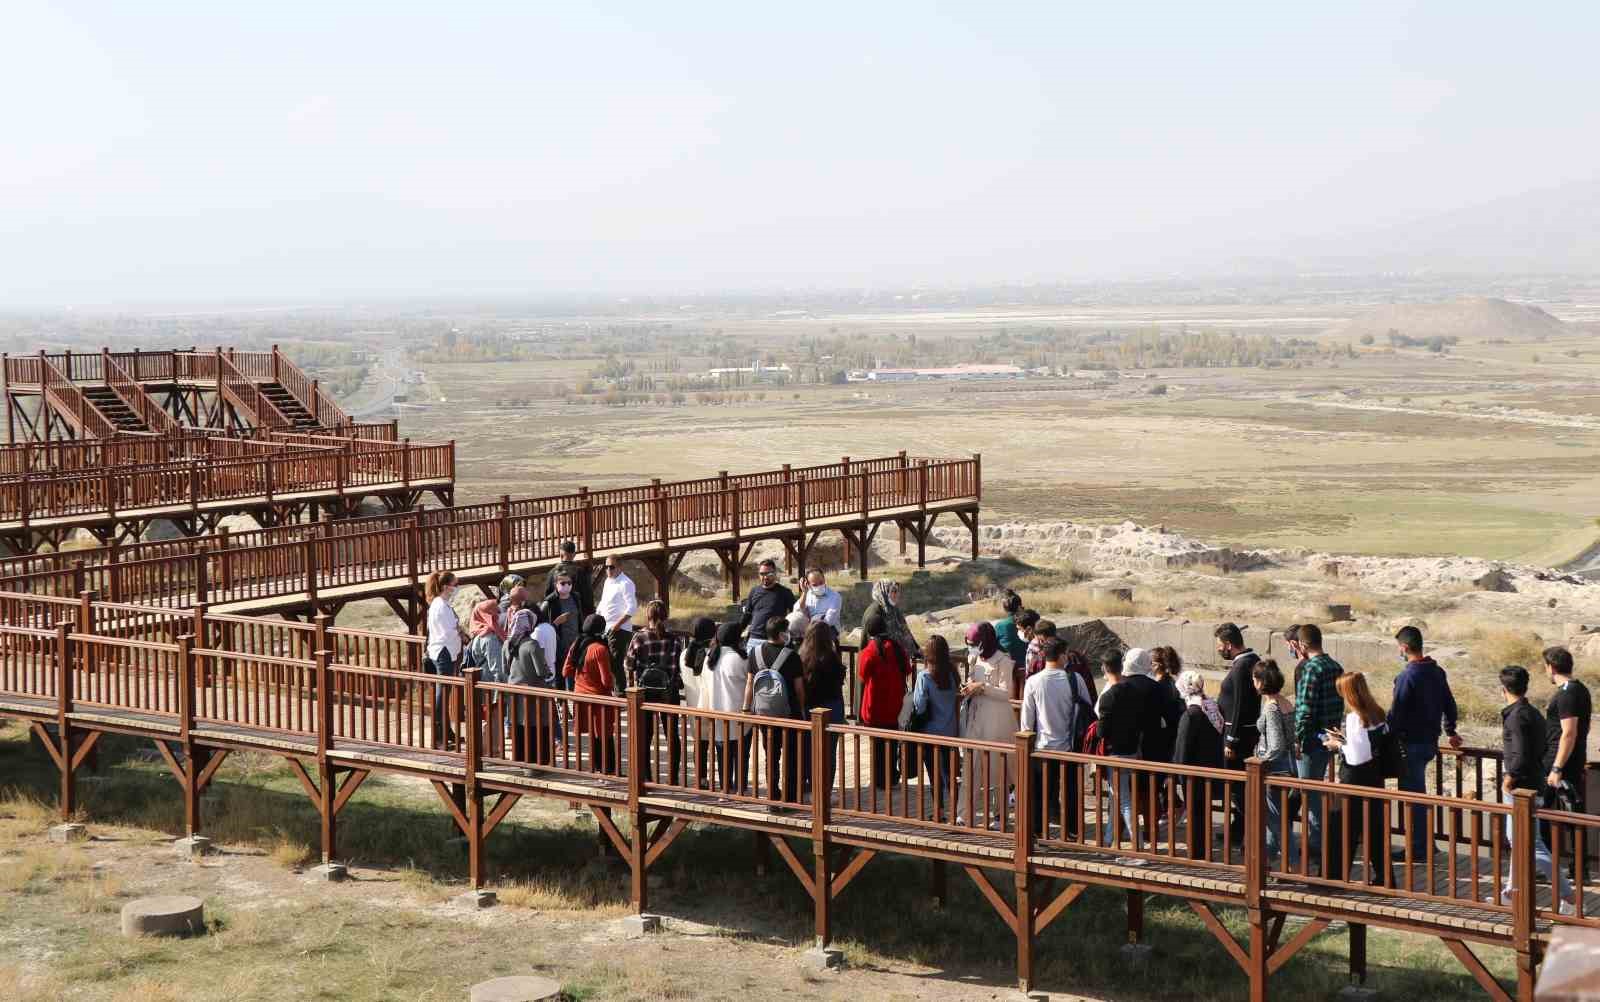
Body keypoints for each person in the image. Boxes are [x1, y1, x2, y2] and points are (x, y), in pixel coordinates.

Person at [1498, 665, 1575, 912]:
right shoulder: (1531, 713)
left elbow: (1519, 753)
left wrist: (1509, 777)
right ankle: (1511, 892)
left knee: (1530, 843)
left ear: (1504, 689)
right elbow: (1541, 747)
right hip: (1535, 782)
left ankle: (1569, 896)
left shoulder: (1517, 716)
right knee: (1520, 840)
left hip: (1522, 789)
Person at [1387, 625, 1462, 859]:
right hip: (1430, 742)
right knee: (1417, 793)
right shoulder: (1436, 671)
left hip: (1411, 745)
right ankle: (1424, 844)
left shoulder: (1408, 676)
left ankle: (1419, 848)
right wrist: (1450, 731)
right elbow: (1450, 704)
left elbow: (1396, 715)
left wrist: (1383, 735)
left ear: (1404, 647)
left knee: (1413, 797)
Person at [1321, 672, 1394, 887]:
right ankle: (1384, 877)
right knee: (1374, 830)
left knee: (1341, 829)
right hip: (1374, 777)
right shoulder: (1378, 713)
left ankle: (1333, 876)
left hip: (1354, 780)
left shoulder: (1355, 718)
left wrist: (1337, 745)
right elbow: (1367, 748)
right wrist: (1346, 741)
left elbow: (1356, 756)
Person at [1022, 637, 1089, 839]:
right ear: (1062, 655)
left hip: (1042, 748)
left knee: (1041, 792)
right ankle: (1073, 832)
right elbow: (1087, 708)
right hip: (1070, 748)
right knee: (1071, 792)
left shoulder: (1033, 682)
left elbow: (1026, 721)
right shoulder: (1075, 679)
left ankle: (1039, 831)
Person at [1096, 648, 1162, 846]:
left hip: (1115, 754)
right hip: (1133, 752)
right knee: (1117, 797)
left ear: (1104, 668)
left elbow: (1101, 731)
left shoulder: (1108, 697)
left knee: (1123, 801)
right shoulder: (1135, 692)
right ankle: (1108, 840)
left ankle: (1138, 845)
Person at [1292, 623, 1344, 865]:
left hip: (1312, 741)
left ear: (1302, 645)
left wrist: (1298, 740)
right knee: (1316, 792)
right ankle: (1320, 842)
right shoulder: (1336, 666)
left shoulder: (1311, 669)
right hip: (1330, 738)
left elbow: (1304, 711)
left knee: (1310, 795)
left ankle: (1317, 846)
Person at [744, 616, 806, 803]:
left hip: (765, 713)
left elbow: (749, 683)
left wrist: (746, 708)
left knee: (771, 754)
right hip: (789, 714)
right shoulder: (792, 656)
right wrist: (802, 710)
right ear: (781, 634)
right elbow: (799, 688)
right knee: (791, 755)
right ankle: (791, 796)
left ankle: (772, 793)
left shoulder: (754, 653)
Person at [960, 621, 1018, 825]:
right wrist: (968, 687)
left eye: (974, 643)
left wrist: (982, 687)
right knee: (970, 768)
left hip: (997, 722)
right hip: (976, 719)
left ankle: (1000, 817)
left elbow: (1006, 692)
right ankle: (964, 815)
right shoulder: (973, 658)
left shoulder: (1003, 660)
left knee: (998, 771)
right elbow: (972, 681)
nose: (971, 647)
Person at [1542, 645, 1591, 882]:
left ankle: (1551, 868)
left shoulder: (1567, 694)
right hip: (1569, 762)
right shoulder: (1579, 690)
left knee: (1545, 814)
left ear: (1551, 667)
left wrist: (1556, 768)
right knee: (1571, 818)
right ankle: (1576, 868)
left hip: (1560, 765)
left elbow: (1568, 733)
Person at [624, 600, 684, 785]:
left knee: (645, 735)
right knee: (672, 735)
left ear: (648, 616)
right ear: (665, 616)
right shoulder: (674, 639)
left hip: (646, 693)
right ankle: (673, 779)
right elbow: (678, 666)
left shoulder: (639, 638)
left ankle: (646, 777)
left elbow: (628, 664)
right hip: (669, 692)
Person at [1215, 623, 1261, 840]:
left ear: (1229, 645)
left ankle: (1245, 831)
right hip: (1242, 733)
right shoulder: (1249, 661)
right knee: (1238, 786)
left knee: (1238, 787)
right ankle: (1238, 828)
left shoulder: (1243, 666)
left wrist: (1231, 740)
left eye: (1219, 645)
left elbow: (1241, 704)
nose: (1218, 650)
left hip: (1238, 736)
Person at [1172, 669, 1224, 859]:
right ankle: (1203, 850)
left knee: (1194, 812)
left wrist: (1178, 772)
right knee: (1204, 811)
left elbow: (1182, 748)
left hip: (1193, 773)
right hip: (1210, 768)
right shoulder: (1213, 707)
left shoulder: (1191, 715)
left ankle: (1196, 853)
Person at [858, 612, 911, 791]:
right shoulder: (897, 648)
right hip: (895, 703)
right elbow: (908, 670)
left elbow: (862, 675)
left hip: (875, 705)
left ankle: (879, 779)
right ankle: (891, 776)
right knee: (892, 741)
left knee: (877, 744)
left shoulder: (869, 651)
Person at [911, 635, 961, 819]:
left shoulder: (924, 676)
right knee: (951, 774)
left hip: (930, 733)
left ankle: (939, 811)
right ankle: (957, 812)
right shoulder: (952, 673)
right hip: (950, 731)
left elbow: (919, 706)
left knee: (934, 774)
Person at [1252, 660, 1297, 862]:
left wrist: (1261, 761)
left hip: (1274, 769)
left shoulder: (1271, 708)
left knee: (1275, 819)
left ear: (1261, 682)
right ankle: (1267, 859)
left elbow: (1276, 744)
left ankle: (1294, 862)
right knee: (1278, 816)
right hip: (1288, 765)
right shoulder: (1285, 701)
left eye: (1254, 678)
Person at [563, 614, 617, 774]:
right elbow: (607, 681)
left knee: (593, 736)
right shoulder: (600, 649)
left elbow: (566, 671)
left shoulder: (577, 643)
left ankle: (595, 768)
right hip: (600, 698)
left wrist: (583, 676)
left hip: (581, 697)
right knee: (605, 735)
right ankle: (608, 770)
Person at [703, 622, 752, 794]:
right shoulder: (741, 659)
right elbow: (750, 685)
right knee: (741, 756)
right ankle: (740, 789)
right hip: (740, 716)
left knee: (722, 756)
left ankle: (725, 789)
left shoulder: (710, 658)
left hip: (717, 716)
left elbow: (705, 689)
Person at [800, 621, 848, 796]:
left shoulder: (802, 656)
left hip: (809, 707)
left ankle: (810, 784)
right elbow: (839, 678)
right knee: (829, 751)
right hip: (831, 707)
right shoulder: (831, 658)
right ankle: (825, 788)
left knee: (809, 748)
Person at [424, 570, 467, 750]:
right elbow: (449, 630)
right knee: (442, 695)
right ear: (445, 587)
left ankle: (446, 732)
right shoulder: (440, 605)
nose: (456, 588)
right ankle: (439, 736)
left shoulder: (439, 603)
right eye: (454, 585)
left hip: (441, 651)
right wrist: (460, 632)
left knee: (444, 694)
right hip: (444, 653)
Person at [678, 616, 719, 786]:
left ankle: (701, 778)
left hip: (694, 706)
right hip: (713, 704)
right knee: (719, 742)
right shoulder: (712, 655)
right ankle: (723, 780)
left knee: (700, 745)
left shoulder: (683, 655)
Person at [596, 558, 638, 695]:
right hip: (605, 627)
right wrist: (597, 617)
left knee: (615, 663)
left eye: (611, 567)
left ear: (620, 566)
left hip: (619, 629)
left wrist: (617, 626)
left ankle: (620, 694)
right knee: (606, 661)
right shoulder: (608, 581)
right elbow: (603, 603)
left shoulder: (626, 583)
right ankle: (612, 691)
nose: (608, 569)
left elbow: (632, 608)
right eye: (606, 567)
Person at [740, 559, 796, 656]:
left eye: (768, 574)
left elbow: (794, 615)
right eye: (762, 574)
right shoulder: (754, 591)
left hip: (775, 641)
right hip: (754, 640)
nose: (765, 577)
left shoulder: (785, 593)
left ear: (775, 573)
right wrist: (737, 631)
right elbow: (747, 615)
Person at [861, 579, 918, 668]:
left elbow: (905, 631)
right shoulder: (874, 612)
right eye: (894, 591)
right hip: (878, 665)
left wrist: (916, 649)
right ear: (884, 592)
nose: (898, 594)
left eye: (898, 591)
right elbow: (872, 643)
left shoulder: (893, 609)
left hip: (893, 662)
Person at [1143, 646, 1185, 767]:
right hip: (1171, 734)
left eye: (1150, 663)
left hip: (1162, 737)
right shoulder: (1170, 682)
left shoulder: (1158, 686)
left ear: (1157, 665)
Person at [540, 572, 583, 690]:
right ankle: (562, 701)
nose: (567, 586)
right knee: (560, 672)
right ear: (555, 584)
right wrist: (556, 623)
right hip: (558, 643)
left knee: (575, 671)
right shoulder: (549, 602)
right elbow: (541, 625)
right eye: (563, 583)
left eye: (569, 583)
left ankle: (574, 700)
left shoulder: (576, 597)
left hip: (575, 641)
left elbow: (580, 619)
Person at [543, 539, 595, 618]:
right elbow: (588, 597)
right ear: (574, 554)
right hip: (576, 615)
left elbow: (547, 595)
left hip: (557, 615)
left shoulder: (552, 572)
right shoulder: (580, 572)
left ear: (560, 555)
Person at [466, 595, 507, 682]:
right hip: (493, 688)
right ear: (488, 614)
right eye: (496, 612)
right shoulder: (489, 638)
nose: (498, 615)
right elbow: (498, 671)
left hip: (484, 683)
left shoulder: (479, 634)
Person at [993, 590, 1029, 670]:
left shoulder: (1000, 626)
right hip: (1027, 664)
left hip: (1008, 667)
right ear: (1020, 606)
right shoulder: (1029, 621)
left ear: (1004, 608)